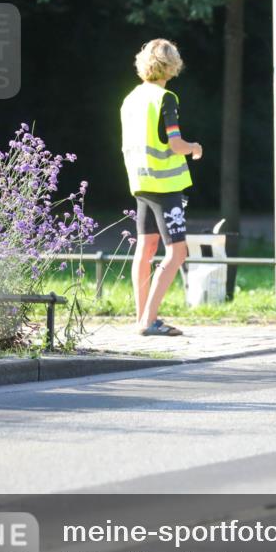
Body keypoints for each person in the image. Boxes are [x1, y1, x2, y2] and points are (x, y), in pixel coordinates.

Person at [120, 38, 203, 336]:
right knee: (177, 253)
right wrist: (194, 147)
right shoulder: (165, 98)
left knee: (145, 249)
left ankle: (140, 316)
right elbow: (175, 143)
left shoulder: (130, 99)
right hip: (166, 184)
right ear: (172, 65)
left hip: (140, 180)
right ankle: (149, 321)